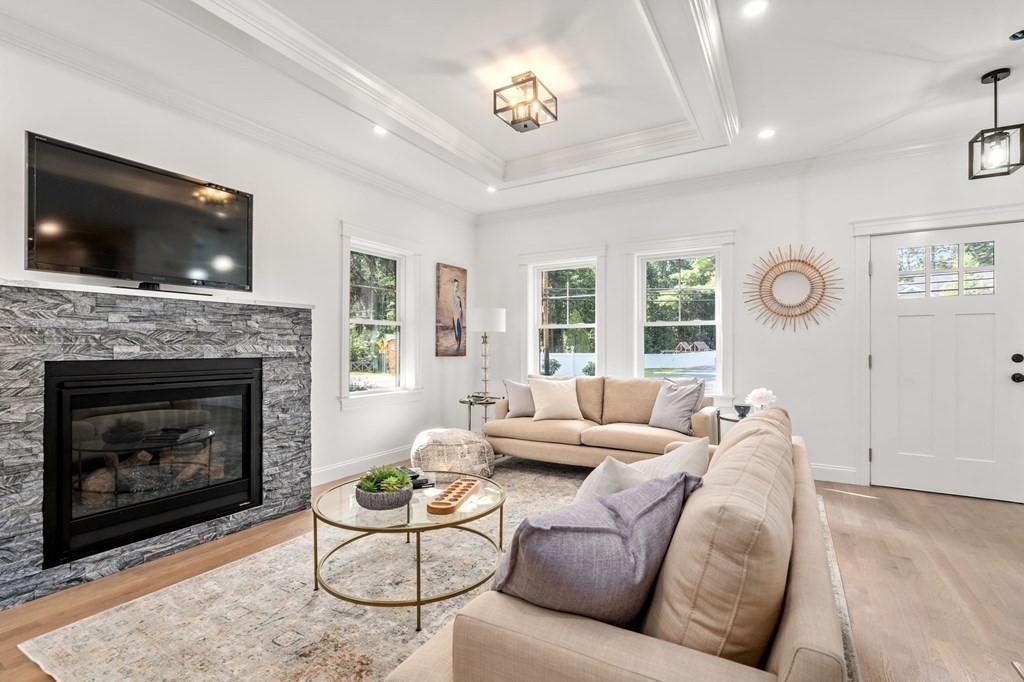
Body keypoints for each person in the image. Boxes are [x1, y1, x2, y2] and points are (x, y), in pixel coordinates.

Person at [451, 278, 464, 352]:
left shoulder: (458, 299)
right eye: (455, 285)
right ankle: (457, 345)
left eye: (456, 285)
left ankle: (458, 345)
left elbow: (460, 309)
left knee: (458, 330)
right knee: (455, 330)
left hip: (458, 316)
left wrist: (460, 317)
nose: (455, 287)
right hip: (455, 315)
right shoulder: (455, 297)